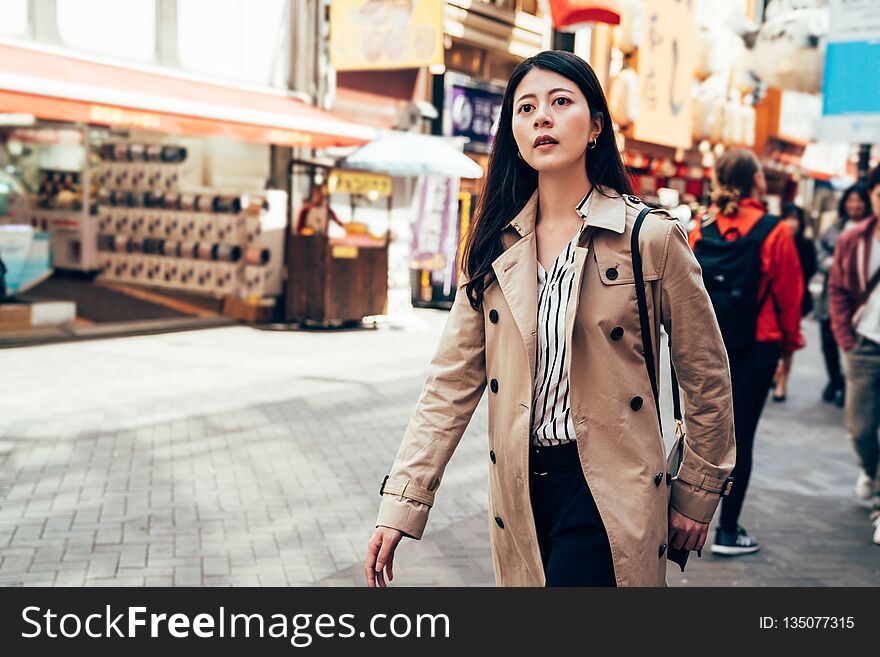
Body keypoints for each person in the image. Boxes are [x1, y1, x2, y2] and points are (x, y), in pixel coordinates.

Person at [365, 50, 735, 588]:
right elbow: (449, 385)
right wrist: (401, 503)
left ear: (595, 127)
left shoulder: (648, 237)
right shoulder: (497, 248)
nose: (542, 117)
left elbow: (706, 374)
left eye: (561, 102)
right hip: (519, 490)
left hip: (612, 486)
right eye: (526, 107)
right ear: (512, 130)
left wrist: (698, 494)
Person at [688, 148, 804, 556]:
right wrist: (789, 348)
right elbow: (791, 300)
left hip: (705, 351)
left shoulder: (700, 231)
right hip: (757, 348)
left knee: (703, 435)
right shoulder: (775, 232)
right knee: (742, 440)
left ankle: (683, 519)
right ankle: (728, 530)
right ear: (757, 181)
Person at [829, 166, 880, 510]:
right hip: (864, 344)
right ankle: (871, 468)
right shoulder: (854, 238)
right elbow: (837, 289)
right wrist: (845, 337)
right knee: (860, 427)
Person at [817, 183, 870, 407]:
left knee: (850, 344)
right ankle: (834, 380)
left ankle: (849, 387)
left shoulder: (871, 231)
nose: (854, 204)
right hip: (831, 296)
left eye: (859, 200)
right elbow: (819, 251)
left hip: (859, 301)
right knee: (828, 342)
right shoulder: (835, 228)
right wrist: (831, 263)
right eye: (850, 200)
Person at [771, 203, 817, 402]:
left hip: (797, 301)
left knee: (789, 343)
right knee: (774, 341)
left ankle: (783, 380)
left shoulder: (805, 245)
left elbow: (811, 269)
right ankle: (776, 372)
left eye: (795, 218)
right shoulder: (774, 240)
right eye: (787, 217)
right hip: (773, 301)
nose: (791, 223)